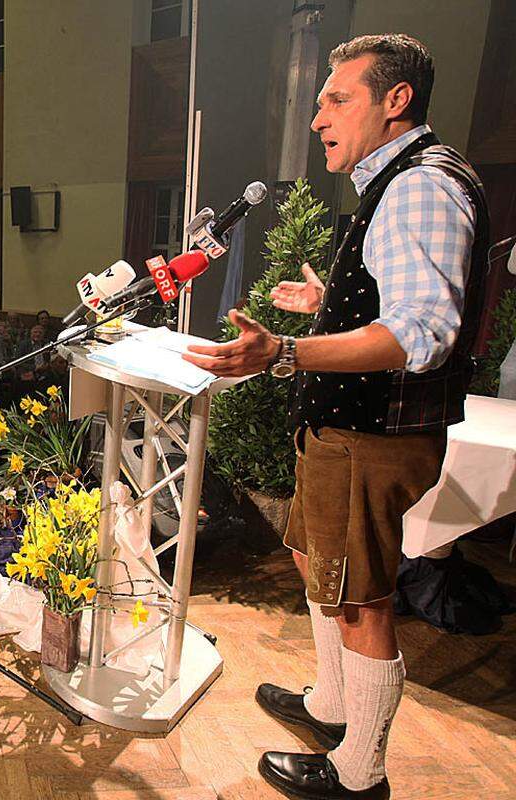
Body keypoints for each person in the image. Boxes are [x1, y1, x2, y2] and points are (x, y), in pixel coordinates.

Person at [181, 35, 487, 800]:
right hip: (346, 430)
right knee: (318, 566)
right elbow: (402, 303)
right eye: (320, 100)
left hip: (372, 436)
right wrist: (330, 304)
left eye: (337, 98)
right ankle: (331, 704)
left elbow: (421, 334)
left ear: (396, 101)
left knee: (359, 598)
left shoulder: (420, 185)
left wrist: (285, 348)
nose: (317, 115)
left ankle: (360, 774)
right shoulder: (395, 181)